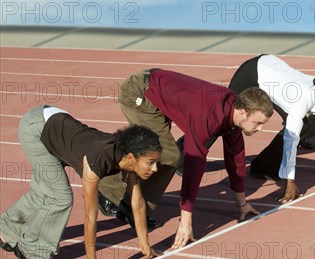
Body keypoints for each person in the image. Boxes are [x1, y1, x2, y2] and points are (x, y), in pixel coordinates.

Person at [97, 69, 273, 249]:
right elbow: (193, 165)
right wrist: (186, 220)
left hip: (157, 94)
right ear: (242, 112)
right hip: (139, 92)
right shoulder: (209, 116)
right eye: (258, 123)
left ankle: (131, 206)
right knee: (168, 155)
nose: (259, 129)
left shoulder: (233, 112)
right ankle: (109, 191)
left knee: (162, 155)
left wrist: (241, 202)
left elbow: (236, 158)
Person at [0, 105, 162, 259]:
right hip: (35, 129)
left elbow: (137, 203)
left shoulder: (127, 155)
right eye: (150, 162)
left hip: (53, 121)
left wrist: (144, 245)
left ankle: (6, 229)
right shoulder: (97, 161)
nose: (155, 168)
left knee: (44, 189)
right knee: (60, 196)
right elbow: (90, 216)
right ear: (131, 158)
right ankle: (31, 248)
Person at [225, 54, 315, 202]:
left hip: (273, 75)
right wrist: (290, 181)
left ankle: (262, 166)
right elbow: (290, 139)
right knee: (225, 119)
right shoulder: (304, 98)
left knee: (304, 126)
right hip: (253, 71)